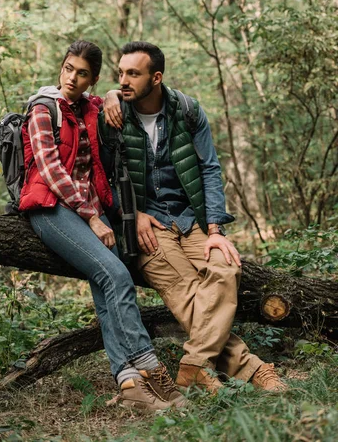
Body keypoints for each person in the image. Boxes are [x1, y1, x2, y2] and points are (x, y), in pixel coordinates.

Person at [100, 41, 288, 394]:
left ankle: (194, 365)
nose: (123, 80)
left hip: (192, 219)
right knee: (185, 289)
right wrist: (133, 214)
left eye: (133, 74)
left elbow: (209, 168)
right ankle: (255, 370)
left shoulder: (187, 110)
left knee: (225, 268)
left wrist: (215, 229)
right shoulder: (111, 117)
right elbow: (102, 180)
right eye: (120, 73)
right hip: (148, 227)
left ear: (156, 78)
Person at [18, 40, 187, 411]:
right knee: (117, 276)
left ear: (92, 79)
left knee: (105, 282)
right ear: (61, 68)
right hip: (50, 208)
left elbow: (120, 97)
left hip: (87, 209)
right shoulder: (43, 109)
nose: (71, 78)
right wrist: (92, 216)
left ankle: (129, 385)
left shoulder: (91, 107)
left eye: (82, 73)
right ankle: (150, 367)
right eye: (67, 68)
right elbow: (50, 171)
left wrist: (111, 92)